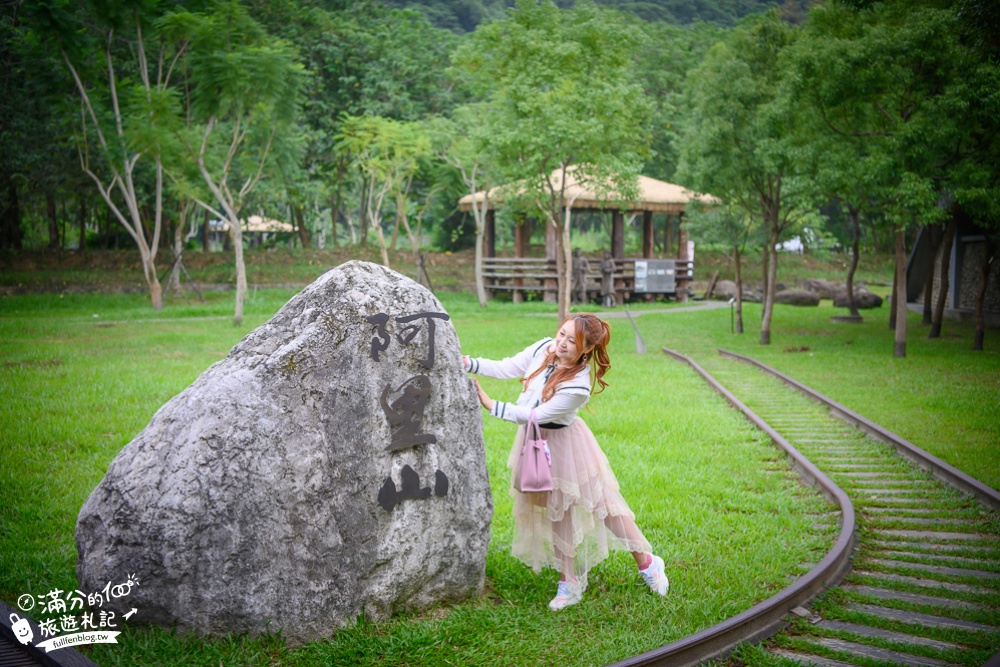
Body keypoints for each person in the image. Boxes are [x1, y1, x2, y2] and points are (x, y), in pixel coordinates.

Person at [462, 313, 668, 611]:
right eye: (562, 334)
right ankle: (568, 581)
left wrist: (492, 405)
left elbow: (535, 415)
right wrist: (470, 363)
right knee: (557, 510)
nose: (562, 343)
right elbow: (509, 366)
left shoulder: (578, 386)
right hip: (536, 442)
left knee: (605, 505)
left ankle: (648, 563)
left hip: (566, 444)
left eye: (572, 341)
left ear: (586, 349)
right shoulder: (544, 348)